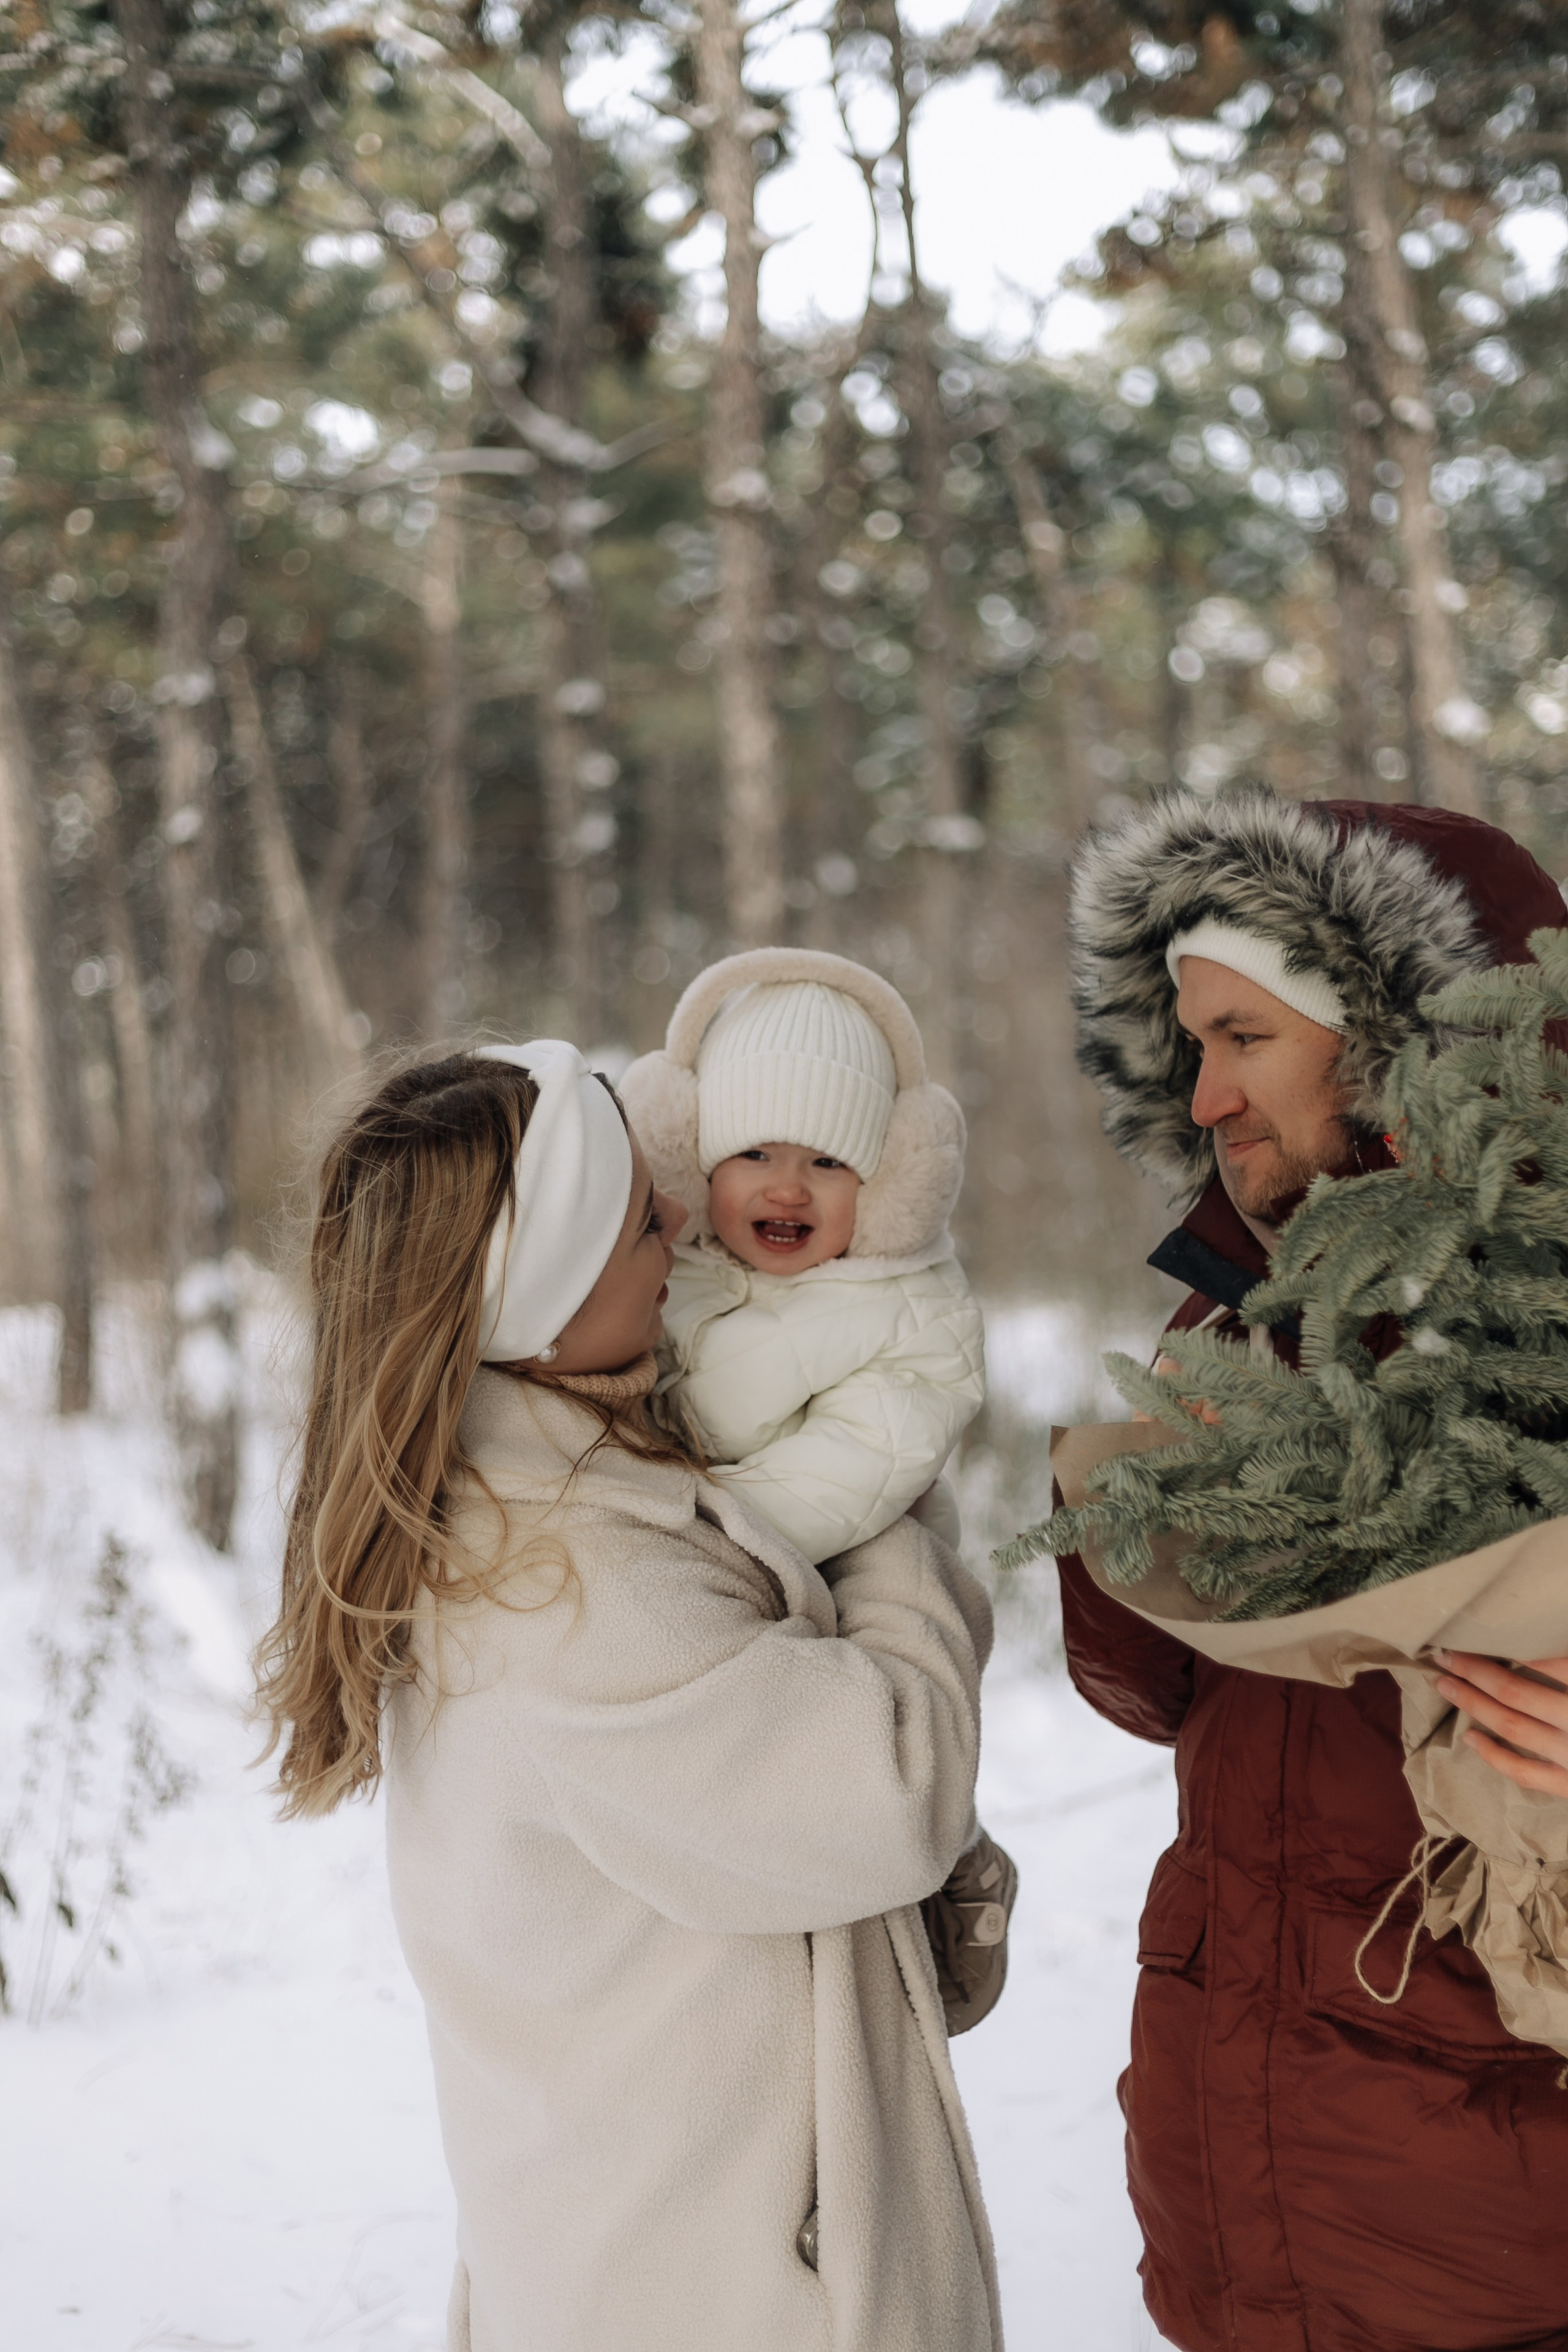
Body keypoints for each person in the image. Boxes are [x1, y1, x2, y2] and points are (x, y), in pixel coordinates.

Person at [255, 1041, 1002, 2352]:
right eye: (626, 1220)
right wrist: (881, 1497)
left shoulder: (538, 1504)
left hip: (629, 2255)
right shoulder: (572, 1595)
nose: (674, 1211)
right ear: (536, 1302)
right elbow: (894, 1783)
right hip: (727, 2296)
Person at [1060, 790, 1568, 2352]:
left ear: (1401, 1030)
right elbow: (1150, 1688)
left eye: (1240, 1036)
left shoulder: (1539, 1329)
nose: (1200, 1092)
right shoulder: (1245, 1316)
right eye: (1185, 1045)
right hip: (1244, 2229)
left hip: (1493, 2263)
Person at [623, 947, 1014, 2023]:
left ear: (886, 1185)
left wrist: (724, 1529)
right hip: (712, 1555)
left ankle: (951, 1866)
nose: (786, 1187)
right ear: (693, 1155)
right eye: (751, 1151)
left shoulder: (910, 1305)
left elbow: (869, 1459)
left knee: (875, 1727)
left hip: (831, 1551)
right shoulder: (673, 1266)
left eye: (828, 1163)